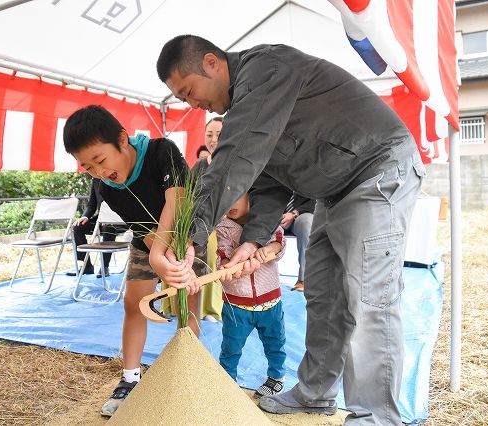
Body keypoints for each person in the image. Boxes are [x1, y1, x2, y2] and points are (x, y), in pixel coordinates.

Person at [152, 35, 426, 425]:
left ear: (212, 63)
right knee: (324, 294)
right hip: (334, 192)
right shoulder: (249, 106)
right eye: (181, 98)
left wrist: (191, 238)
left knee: (369, 299)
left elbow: (234, 159)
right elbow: (267, 182)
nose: (191, 104)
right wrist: (252, 239)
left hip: (377, 170)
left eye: (189, 91)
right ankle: (316, 394)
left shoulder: (267, 68)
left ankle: (377, 418)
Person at [63, 105, 201, 418]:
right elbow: (142, 228)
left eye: (100, 160)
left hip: (187, 234)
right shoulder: (104, 186)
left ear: (122, 140)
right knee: (133, 304)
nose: (98, 172)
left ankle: (190, 372)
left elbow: (177, 198)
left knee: (187, 299)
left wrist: (170, 257)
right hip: (147, 239)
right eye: (87, 167)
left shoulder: (159, 151)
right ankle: (130, 379)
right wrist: (157, 252)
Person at [216, 191, 287, 399]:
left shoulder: (268, 219)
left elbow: (280, 244)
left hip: (270, 300)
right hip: (237, 304)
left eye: (237, 195)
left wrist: (270, 248)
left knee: (275, 341)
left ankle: (276, 377)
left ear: (251, 197)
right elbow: (223, 264)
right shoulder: (223, 228)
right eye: (225, 198)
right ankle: (227, 380)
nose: (230, 204)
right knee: (231, 345)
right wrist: (235, 266)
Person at [66, 177, 116, 277]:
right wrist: (85, 216)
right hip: (100, 220)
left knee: (109, 226)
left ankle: (104, 266)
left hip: (120, 220)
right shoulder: (96, 180)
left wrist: (110, 217)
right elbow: (91, 204)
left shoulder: (117, 176)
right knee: (78, 227)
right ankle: (87, 266)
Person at [280, 193, 315, 292]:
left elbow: (317, 198)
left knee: (306, 222)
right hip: (272, 213)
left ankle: (304, 280)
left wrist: (294, 213)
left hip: (301, 213)